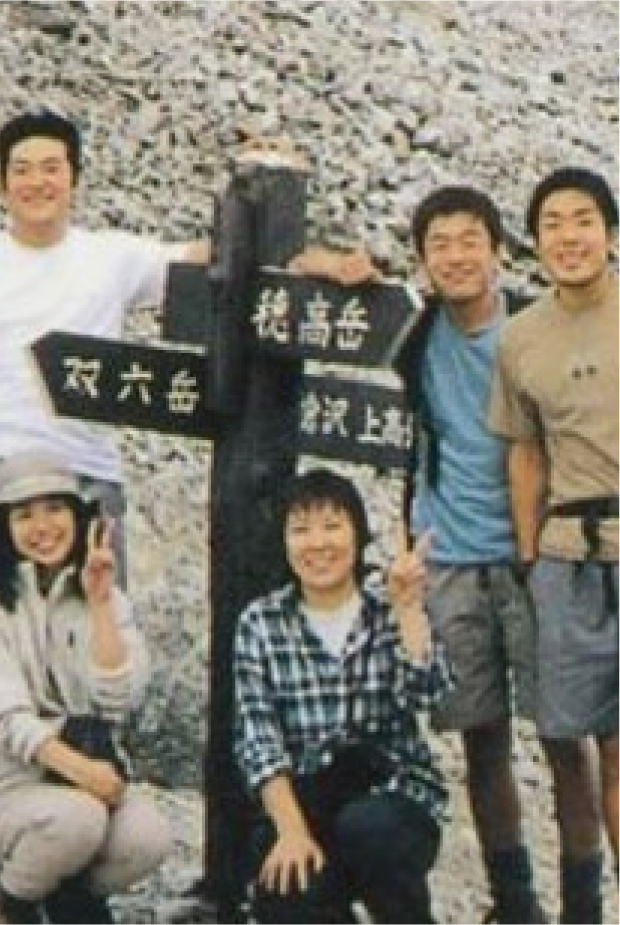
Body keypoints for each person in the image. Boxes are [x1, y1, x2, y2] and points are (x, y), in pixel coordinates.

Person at [0, 107, 378, 896]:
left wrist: (313, 259)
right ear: (1, 182)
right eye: (22, 169)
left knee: (92, 637)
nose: (38, 181)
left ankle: (72, 805)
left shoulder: (109, 256)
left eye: (52, 167)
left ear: (74, 177)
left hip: (88, 476)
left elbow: (218, 261)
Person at [400, 185, 600, 924]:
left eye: (469, 240)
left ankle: (583, 906)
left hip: (536, 558)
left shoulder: (534, 330)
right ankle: (513, 903)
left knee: (564, 737)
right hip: (450, 559)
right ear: (422, 260)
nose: (455, 256)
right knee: (481, 738)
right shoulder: (417, 331)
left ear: (498, 251)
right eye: (439, 244)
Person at [0, 451, 168, 925]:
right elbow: (5, 718)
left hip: (82, 782)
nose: (42, 527)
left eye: (55, 509)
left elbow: (120, 698)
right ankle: (12, 904)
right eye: (24, 515)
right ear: (4, 527)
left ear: (79, 517)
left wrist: (101, 602)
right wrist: (85, 773)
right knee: (77, 820)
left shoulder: (105, 595)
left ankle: (66, 897)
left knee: (149, 837)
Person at [489, 166, 620, 925]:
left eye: (583, 220)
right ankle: (581, 909)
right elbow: (525, 451)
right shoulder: (521, 337)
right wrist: (530, 551)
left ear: (610, 233)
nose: (569, 237)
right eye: (552, 225)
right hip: (567, 555)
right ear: (534, 242)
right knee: (568, 738)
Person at [233, 468, 451, 924]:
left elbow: (429, 698)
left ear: (358, 534)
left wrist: (408, 611)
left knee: (369, 831)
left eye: (332, 526)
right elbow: (259, 741)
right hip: (304, 798)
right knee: (286, 882)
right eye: (300, 530)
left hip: (392, 792)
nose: (317, 544)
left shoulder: (385, 609)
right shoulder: (261, 623)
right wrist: (291, 832)